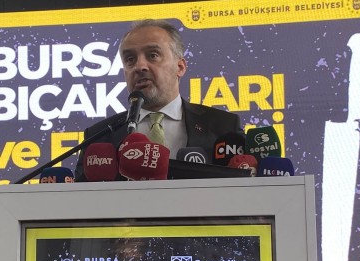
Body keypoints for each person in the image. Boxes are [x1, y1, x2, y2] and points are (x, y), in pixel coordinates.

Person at [74, 19, 242, 179]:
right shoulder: (99, 137)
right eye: (130, 59)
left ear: (180, 67)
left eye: (152, 55)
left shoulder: (224, 127)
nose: (140, 66)